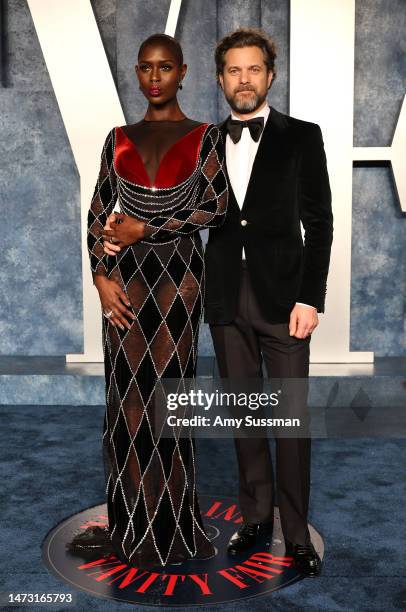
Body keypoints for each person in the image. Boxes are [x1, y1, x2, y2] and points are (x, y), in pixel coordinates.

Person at [69, 33, 228, 568]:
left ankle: (173, 522)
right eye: (145, 68)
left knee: (167, 394)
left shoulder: (207, 137)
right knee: (126, 398)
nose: (155, 77)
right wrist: (99, 274)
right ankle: (130, 522)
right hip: (126, 279)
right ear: (137, 74)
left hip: (179, 276)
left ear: (183, 72)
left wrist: (146, 227)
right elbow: (97, 213)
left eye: (165, 68)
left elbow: (215, 209)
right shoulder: (117, 138)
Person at [204, 28, 333, 576]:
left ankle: (297, 533)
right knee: (244, 415)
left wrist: (310, 297)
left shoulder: (302, 136)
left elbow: (320, 222)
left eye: (253, 69)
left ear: (270, 75)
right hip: (226, 301)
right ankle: (256, 518)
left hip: (285, 302)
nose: (244, 80)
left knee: (291, 419)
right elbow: (186, 213)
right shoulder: (206, 141)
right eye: (234, 70)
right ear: (220, 79)